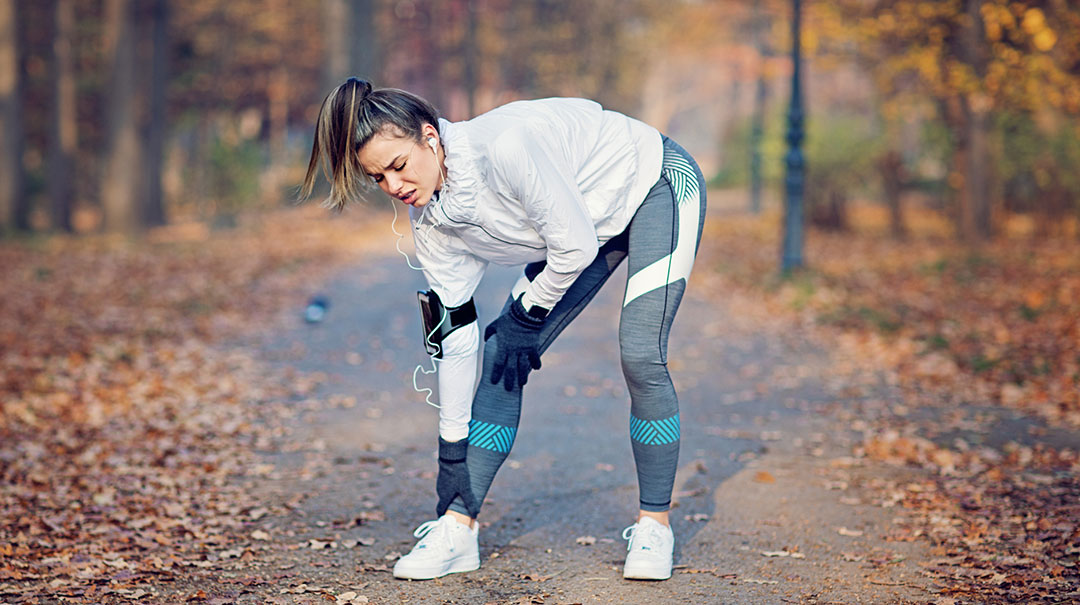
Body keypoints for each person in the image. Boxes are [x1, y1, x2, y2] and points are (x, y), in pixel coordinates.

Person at [301, 78, 706, 581]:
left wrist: (526, 312)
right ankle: (457, 527)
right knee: (500, 355)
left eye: (399, 165)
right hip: (581, 224)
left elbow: (575, 249)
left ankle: (654, 524)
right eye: (378, 178)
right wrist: (450, 453)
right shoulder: (429, 224)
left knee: (640, 353)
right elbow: (454, 337)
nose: (395, 186)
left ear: (429, 137)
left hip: (654, 186)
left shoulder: (505, 150)